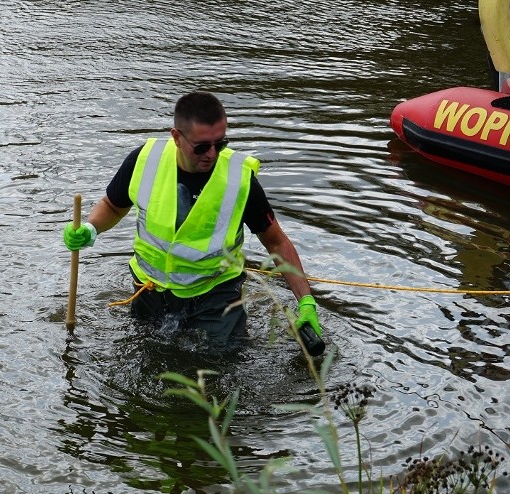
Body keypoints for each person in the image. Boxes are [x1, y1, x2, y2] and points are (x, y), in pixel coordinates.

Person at [62, 91, 322, 350]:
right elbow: (113, 205)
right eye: (201, 147)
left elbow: (276, 243)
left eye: (220, 143)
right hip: (150, 291)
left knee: (222, 368)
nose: (211, 154)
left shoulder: (239, 181)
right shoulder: (144, 161)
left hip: (216, 297)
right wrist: (91, 228)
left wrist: (306, 302)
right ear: (176, 137)